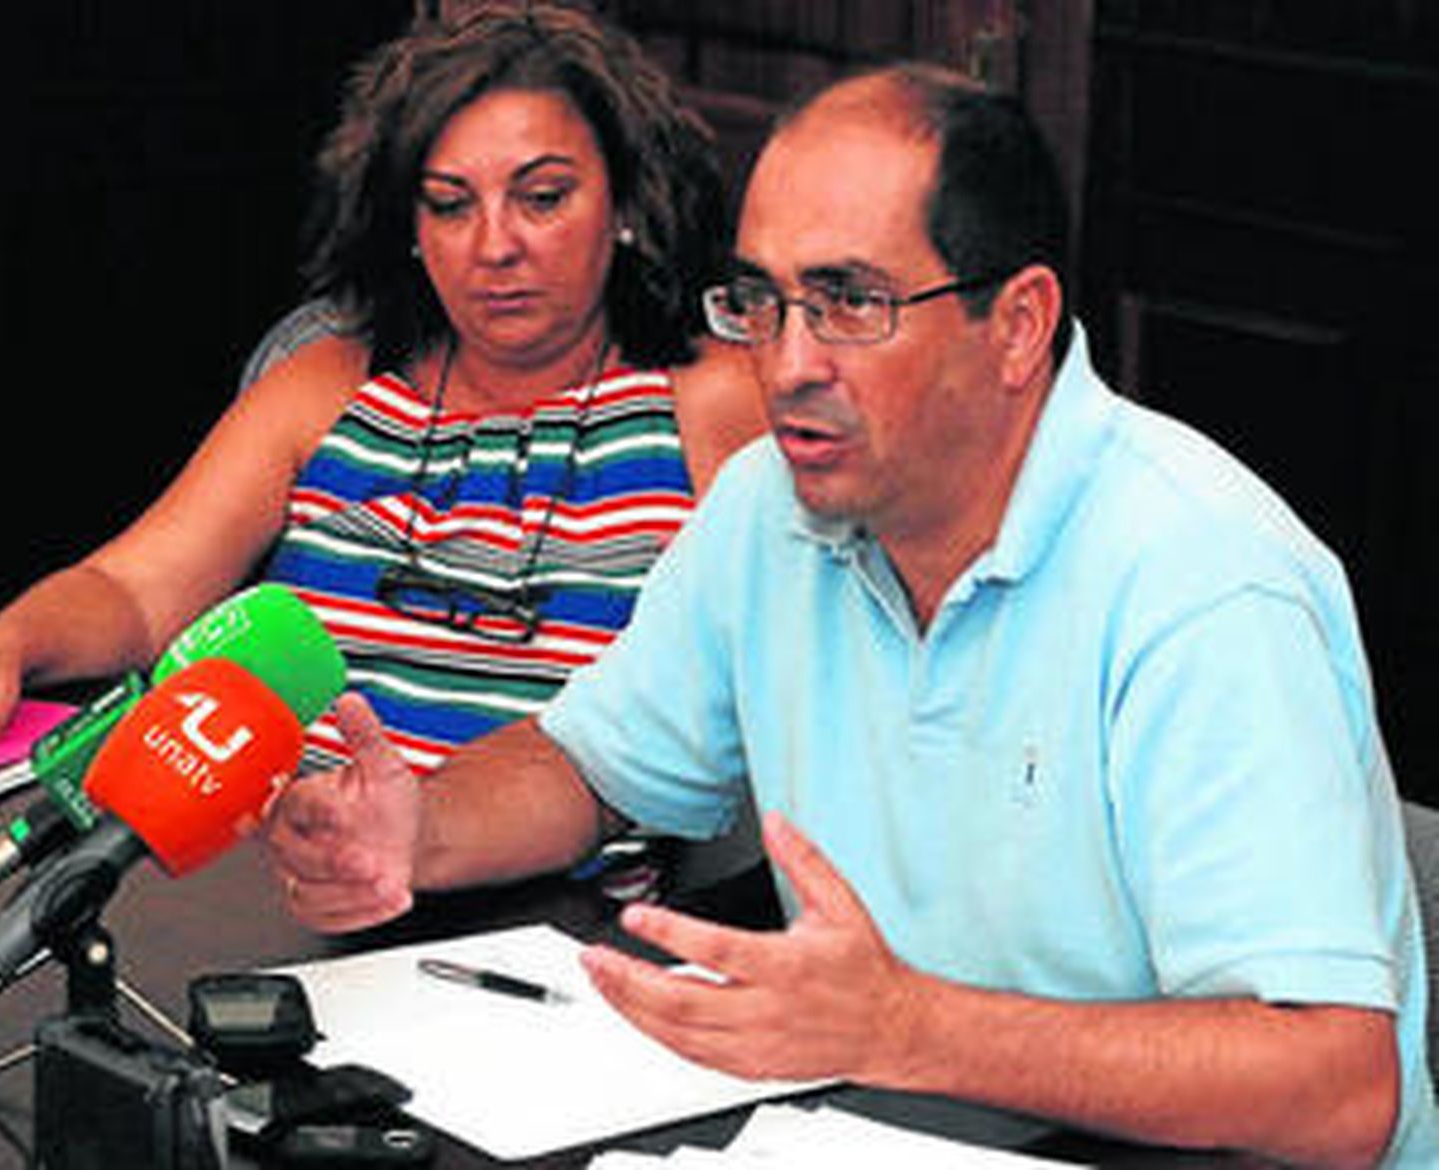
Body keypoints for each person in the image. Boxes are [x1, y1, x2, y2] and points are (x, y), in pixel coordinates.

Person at [262, 61, 1439, 1167]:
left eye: (847, 303)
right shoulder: (768, 509)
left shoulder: (1201, 582)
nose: (785, 365)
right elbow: (591, 766)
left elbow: (1337, 1090)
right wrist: (417, 830)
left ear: (1018, 324)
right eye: (761, 303)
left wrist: (906, 1027)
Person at [0, 5, 762, 781]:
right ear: (408, 228)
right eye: (449, 204)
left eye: (544, 197)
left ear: (627, 206)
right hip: (279, 878)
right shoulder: (325, 384)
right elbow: (135, 589)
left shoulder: (716, 403)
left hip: (562, 910)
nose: (495, 246)